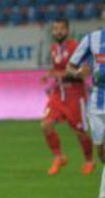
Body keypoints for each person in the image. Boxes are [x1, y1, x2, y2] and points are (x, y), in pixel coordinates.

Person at [40, 18, 94, 176]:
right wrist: (51, 75)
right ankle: (59, 157)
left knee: (80, 132)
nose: (58, 31)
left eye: (61, 29)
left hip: (75, 95)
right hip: (58, 93)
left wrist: (58, 74)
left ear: (67, 30)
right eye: (55, 29)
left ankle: (89, 160)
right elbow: (57, 69)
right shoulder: (54, 48)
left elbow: (83, 71)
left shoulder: (75, 47)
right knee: (45, 124)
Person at [66, 15, 105, 198]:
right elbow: (70, 66)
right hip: (96, 105)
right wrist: (80, 72)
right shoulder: (92, 39)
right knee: (102, 154)